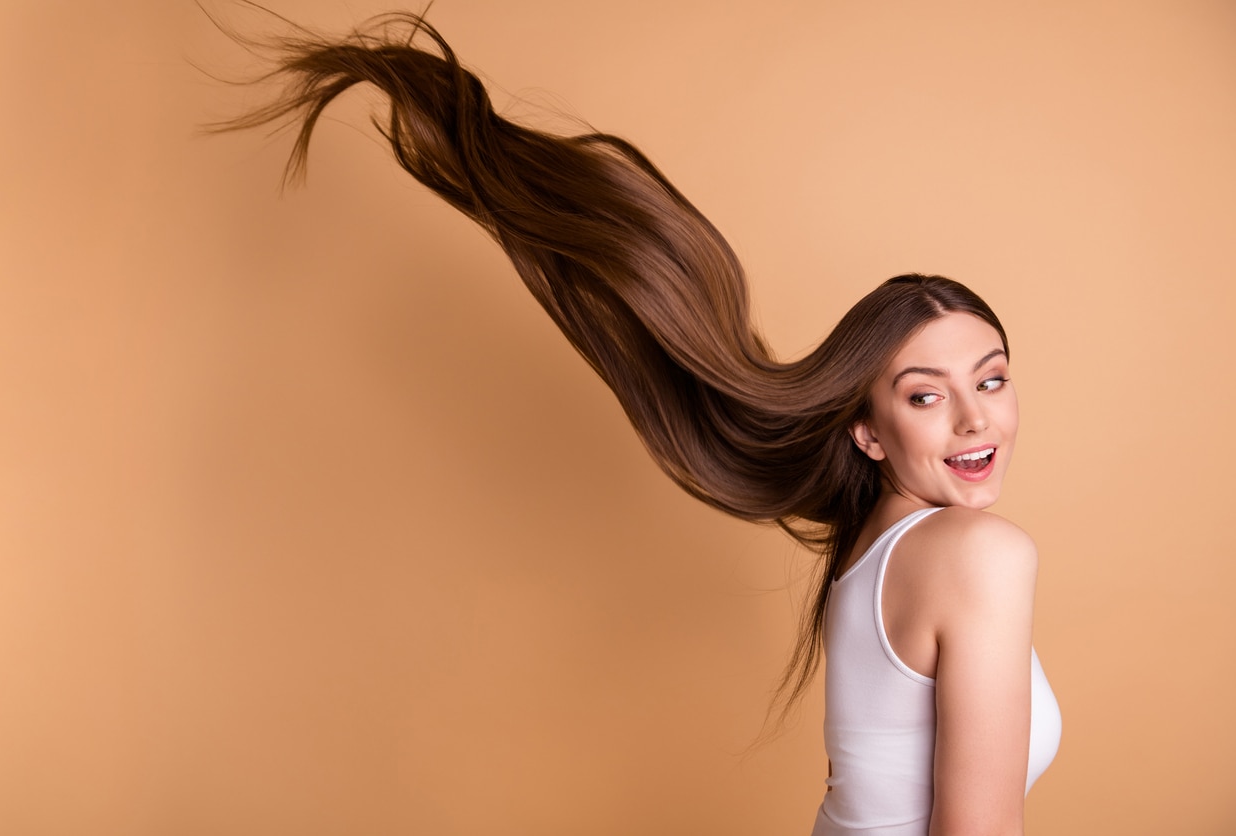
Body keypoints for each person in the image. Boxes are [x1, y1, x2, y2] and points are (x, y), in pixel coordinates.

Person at [215, 11, 1061, 834]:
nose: (973, 419)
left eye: (991, 380)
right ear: (867, 433)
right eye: (924, 395)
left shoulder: (870, 556)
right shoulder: (977, 554)